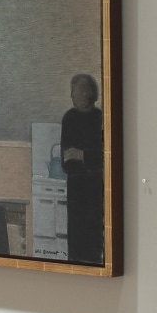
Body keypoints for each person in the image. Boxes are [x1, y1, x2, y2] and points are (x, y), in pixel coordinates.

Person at [61, 73, 104, 264]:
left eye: (76, 90)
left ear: (88, 94)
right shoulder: (69, 118)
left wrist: (82, 155)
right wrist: (87, 158)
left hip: (95, 190)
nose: (72, 95)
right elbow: (66, 162)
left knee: (94, 240)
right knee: (76, 241)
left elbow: (104, 158)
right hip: (76, 191)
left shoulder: (100, 118)